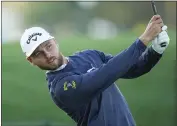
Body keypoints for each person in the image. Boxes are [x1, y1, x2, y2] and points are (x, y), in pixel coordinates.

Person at [20, 15, 170, 126]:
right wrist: (143, 40)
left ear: (55, 41)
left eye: (48, 46)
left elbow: (133, 68)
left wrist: (156, 50)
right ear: (31, 60)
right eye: (38, 53)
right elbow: (103, 76)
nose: (47, 54)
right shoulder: (60, 88)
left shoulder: (89, 55)